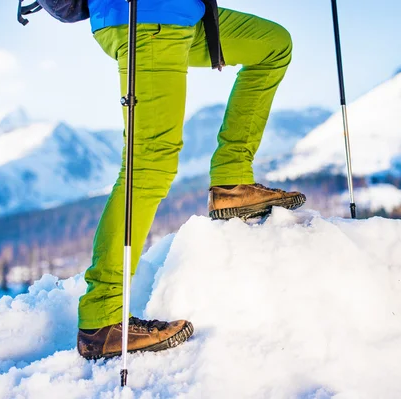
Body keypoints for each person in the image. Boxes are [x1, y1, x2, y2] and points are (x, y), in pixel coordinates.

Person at [77, 0, 306, 359]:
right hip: (147, 17)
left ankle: (232, 183)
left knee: (272, 45)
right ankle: (102, 318)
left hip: (185, 13)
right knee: (148, 164)